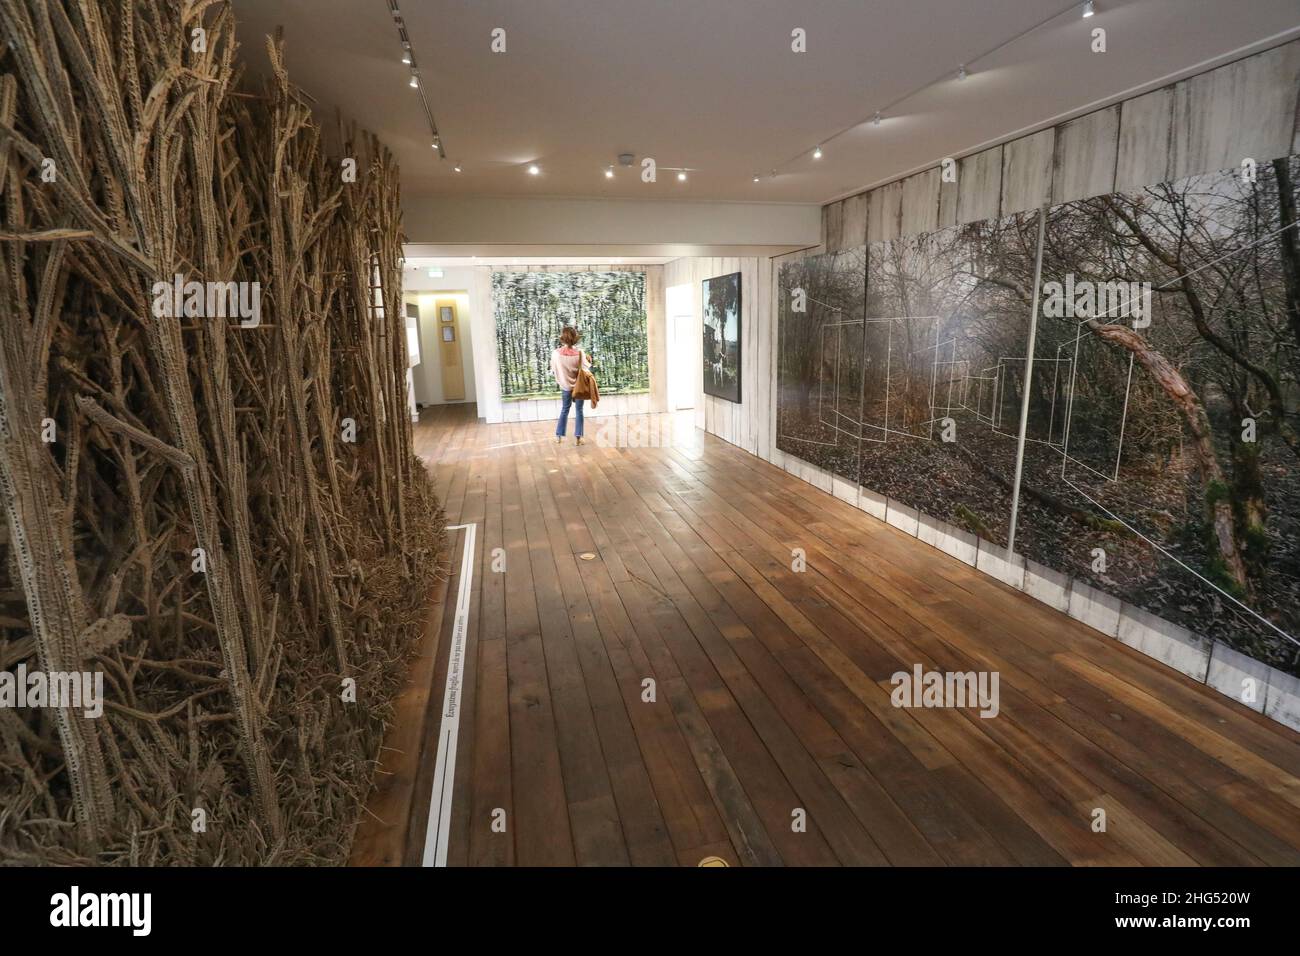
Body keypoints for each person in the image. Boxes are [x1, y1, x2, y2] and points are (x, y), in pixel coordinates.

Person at [551, 326, 591, 444]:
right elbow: (586, 368)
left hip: (565, 386)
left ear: (563, 338)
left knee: (565, 409)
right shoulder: (580, 353)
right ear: (575, 338)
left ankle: (558, 436)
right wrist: (589, 360)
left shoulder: (556, 354)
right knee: (579, 410)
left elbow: (554, 369)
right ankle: (579, 438)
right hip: (579, 386)